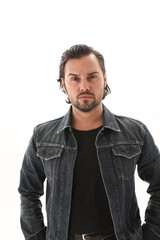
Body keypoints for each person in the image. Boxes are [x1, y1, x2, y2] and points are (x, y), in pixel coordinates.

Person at [18, 44, 160, 240]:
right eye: (74, 78)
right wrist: (36, 236)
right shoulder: (42, 136)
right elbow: (28, 192)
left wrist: (152, 233)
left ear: (104, 79)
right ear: (63, 84)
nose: (84, 86)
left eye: (92, 77)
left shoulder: (135, 132)